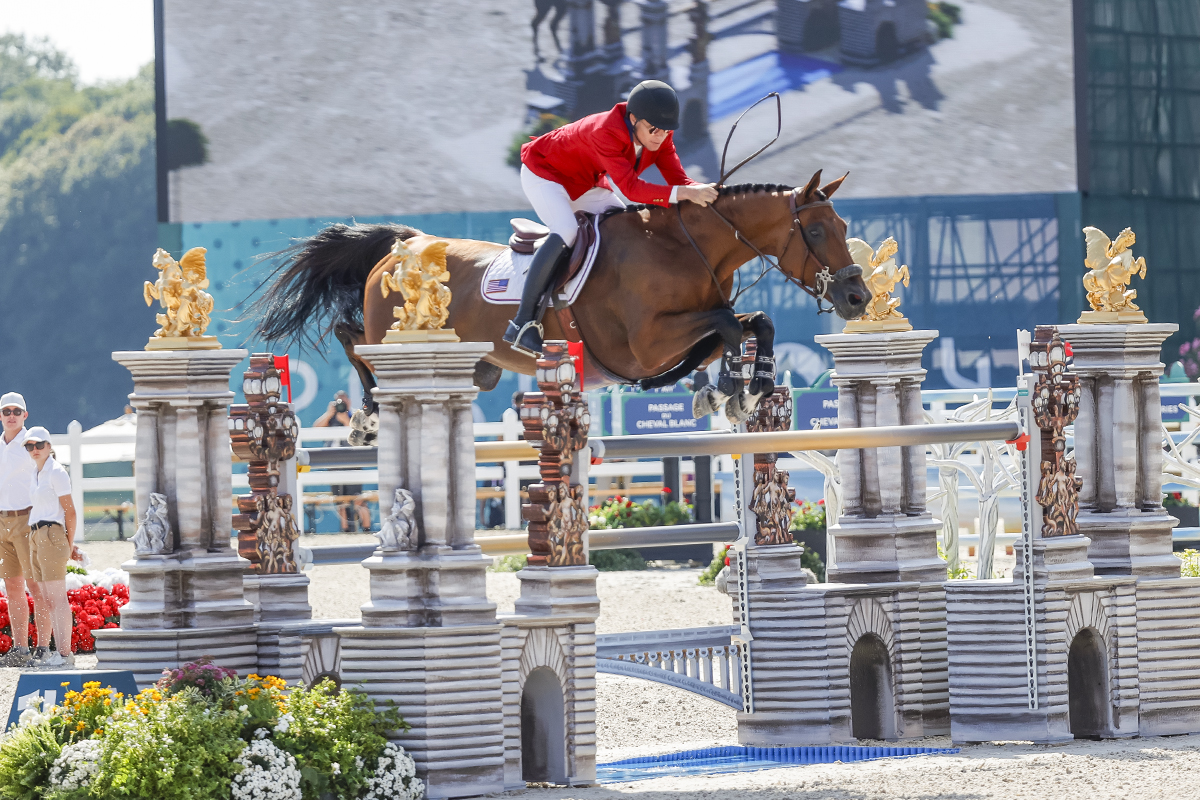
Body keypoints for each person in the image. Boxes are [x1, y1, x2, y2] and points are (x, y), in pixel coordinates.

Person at [505, 79, 720, 357]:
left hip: (585, 183)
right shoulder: (605, 131)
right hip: (546, 175)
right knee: (568, 231)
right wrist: (688, 194)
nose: (660, 137)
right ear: (633, 119)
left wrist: (712, 193)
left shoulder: (661, 138)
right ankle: (523, 322)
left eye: (666, 131)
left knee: (625, 228)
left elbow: (680, 181)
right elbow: (632, 188)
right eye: (653, 129)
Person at [23, 426, 81, 668]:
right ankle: (60, 654)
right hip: (36, 534)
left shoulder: (57, 472)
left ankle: (65, 655)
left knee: (56, 598)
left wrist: (68, 544)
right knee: (46, 598)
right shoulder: (36, 473)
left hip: (51, 533)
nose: (35, 450)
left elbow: (70, 511)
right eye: (30, 446)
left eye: (39, 445)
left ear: (49, 446)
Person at [0, 393, 39, 667]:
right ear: (0, 415)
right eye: (6, 411)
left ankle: (45, 648)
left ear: (25, 415)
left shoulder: (32, 444)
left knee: (37, 586)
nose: (11, 415)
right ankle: (20, 648)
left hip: (27, 518)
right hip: (2, 521)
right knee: (12, 586)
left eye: (17, 411)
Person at [313, 391, 371, 532]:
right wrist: (329, 414)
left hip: (352, 462)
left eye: (343, 402)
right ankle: (345, 530)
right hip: (333, 464)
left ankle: (366, 527)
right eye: (338, 402)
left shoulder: (354, 415)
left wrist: (346, 420)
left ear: (349, 402)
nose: (341, 405)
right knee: (340, 499)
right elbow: (315, 430)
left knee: (357, 498)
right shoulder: (330, 418)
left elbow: (360, 434)